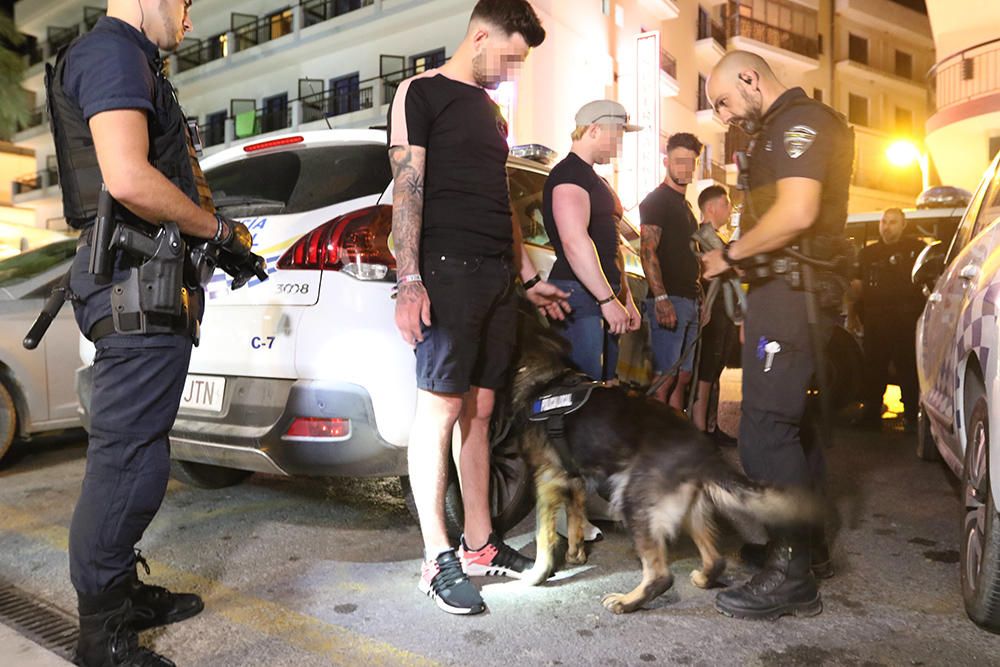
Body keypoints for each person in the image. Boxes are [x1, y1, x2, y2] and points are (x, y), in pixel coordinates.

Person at [48, 1, 257, 665]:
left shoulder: (128, 56)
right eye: (185, 3)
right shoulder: (113, 51)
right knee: (129, 463)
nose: (190, 19)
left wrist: (217, 246)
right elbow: (128, 176)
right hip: (134, 287)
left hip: (146, 281)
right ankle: (103, 635)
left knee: (135, 456)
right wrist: (218, 230)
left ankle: (119, 593)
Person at [387, 0, 568, 616]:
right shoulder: (420, 92)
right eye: (510, 58)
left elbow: (501, 197)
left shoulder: (492, 113)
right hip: (445, 270)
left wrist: (524, 276)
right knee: (439, 410)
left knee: (483, 410)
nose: (510, 72)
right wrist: (409, 279)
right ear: (482, 36)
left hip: (495, 278)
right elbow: (407, 191)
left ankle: (479, 545)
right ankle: (435, 557)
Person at [703, 50, 854, 620]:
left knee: (765, 428)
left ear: (749, 78)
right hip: (785, 291)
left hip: (794, 293)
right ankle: (804, 550)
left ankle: (790, 574)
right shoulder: (777, 128)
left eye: (723, 100)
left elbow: (796, 211)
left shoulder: (801, 122)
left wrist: (729, 255)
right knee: (793, 427)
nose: (722, 115)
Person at [542, 99, 642, 381]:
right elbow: (575, 242)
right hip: (579, 293)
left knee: (605, 386)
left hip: (600, 294)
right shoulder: (569, 174)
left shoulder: (596, 180)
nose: (619, 144)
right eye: (617, 134)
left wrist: (625, 298)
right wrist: (608, 299)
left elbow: (611, 246)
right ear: (595, 129)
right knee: (582, 391)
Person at [639, 132, 704, 408]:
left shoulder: (686, 206)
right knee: (663, 379)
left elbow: (689, 257)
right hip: (671, 301)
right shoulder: (657, 201)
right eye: (679, 161)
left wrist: (701, 299)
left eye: (690, 162)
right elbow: (647, 251)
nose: (685, 168)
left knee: (683, 377)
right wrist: (662, 298)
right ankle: (655, 446)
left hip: (690, 300)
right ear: (666, 161)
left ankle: (678, 442)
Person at [851, 208, 927, 429]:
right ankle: (871, 413)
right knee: (873, 368)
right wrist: (852, 313)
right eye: (884, 221)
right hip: (875, 319)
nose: (887, 226)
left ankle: (913, 415)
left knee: (908, 369)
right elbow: (857, 286)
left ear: (904, 225)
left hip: (906, 320)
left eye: (893, 222)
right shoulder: (868, 253)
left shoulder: (916, 249)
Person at [692, 185, 739, 446]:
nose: (729, 209)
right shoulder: (700, 236)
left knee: (716, 367)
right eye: (726, 204)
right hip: (711, 308)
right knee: (707, 369)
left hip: (723, 309)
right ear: (712, 207)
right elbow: (707, 272)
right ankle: (701, 429)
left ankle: (710, 425)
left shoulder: (716, 237)